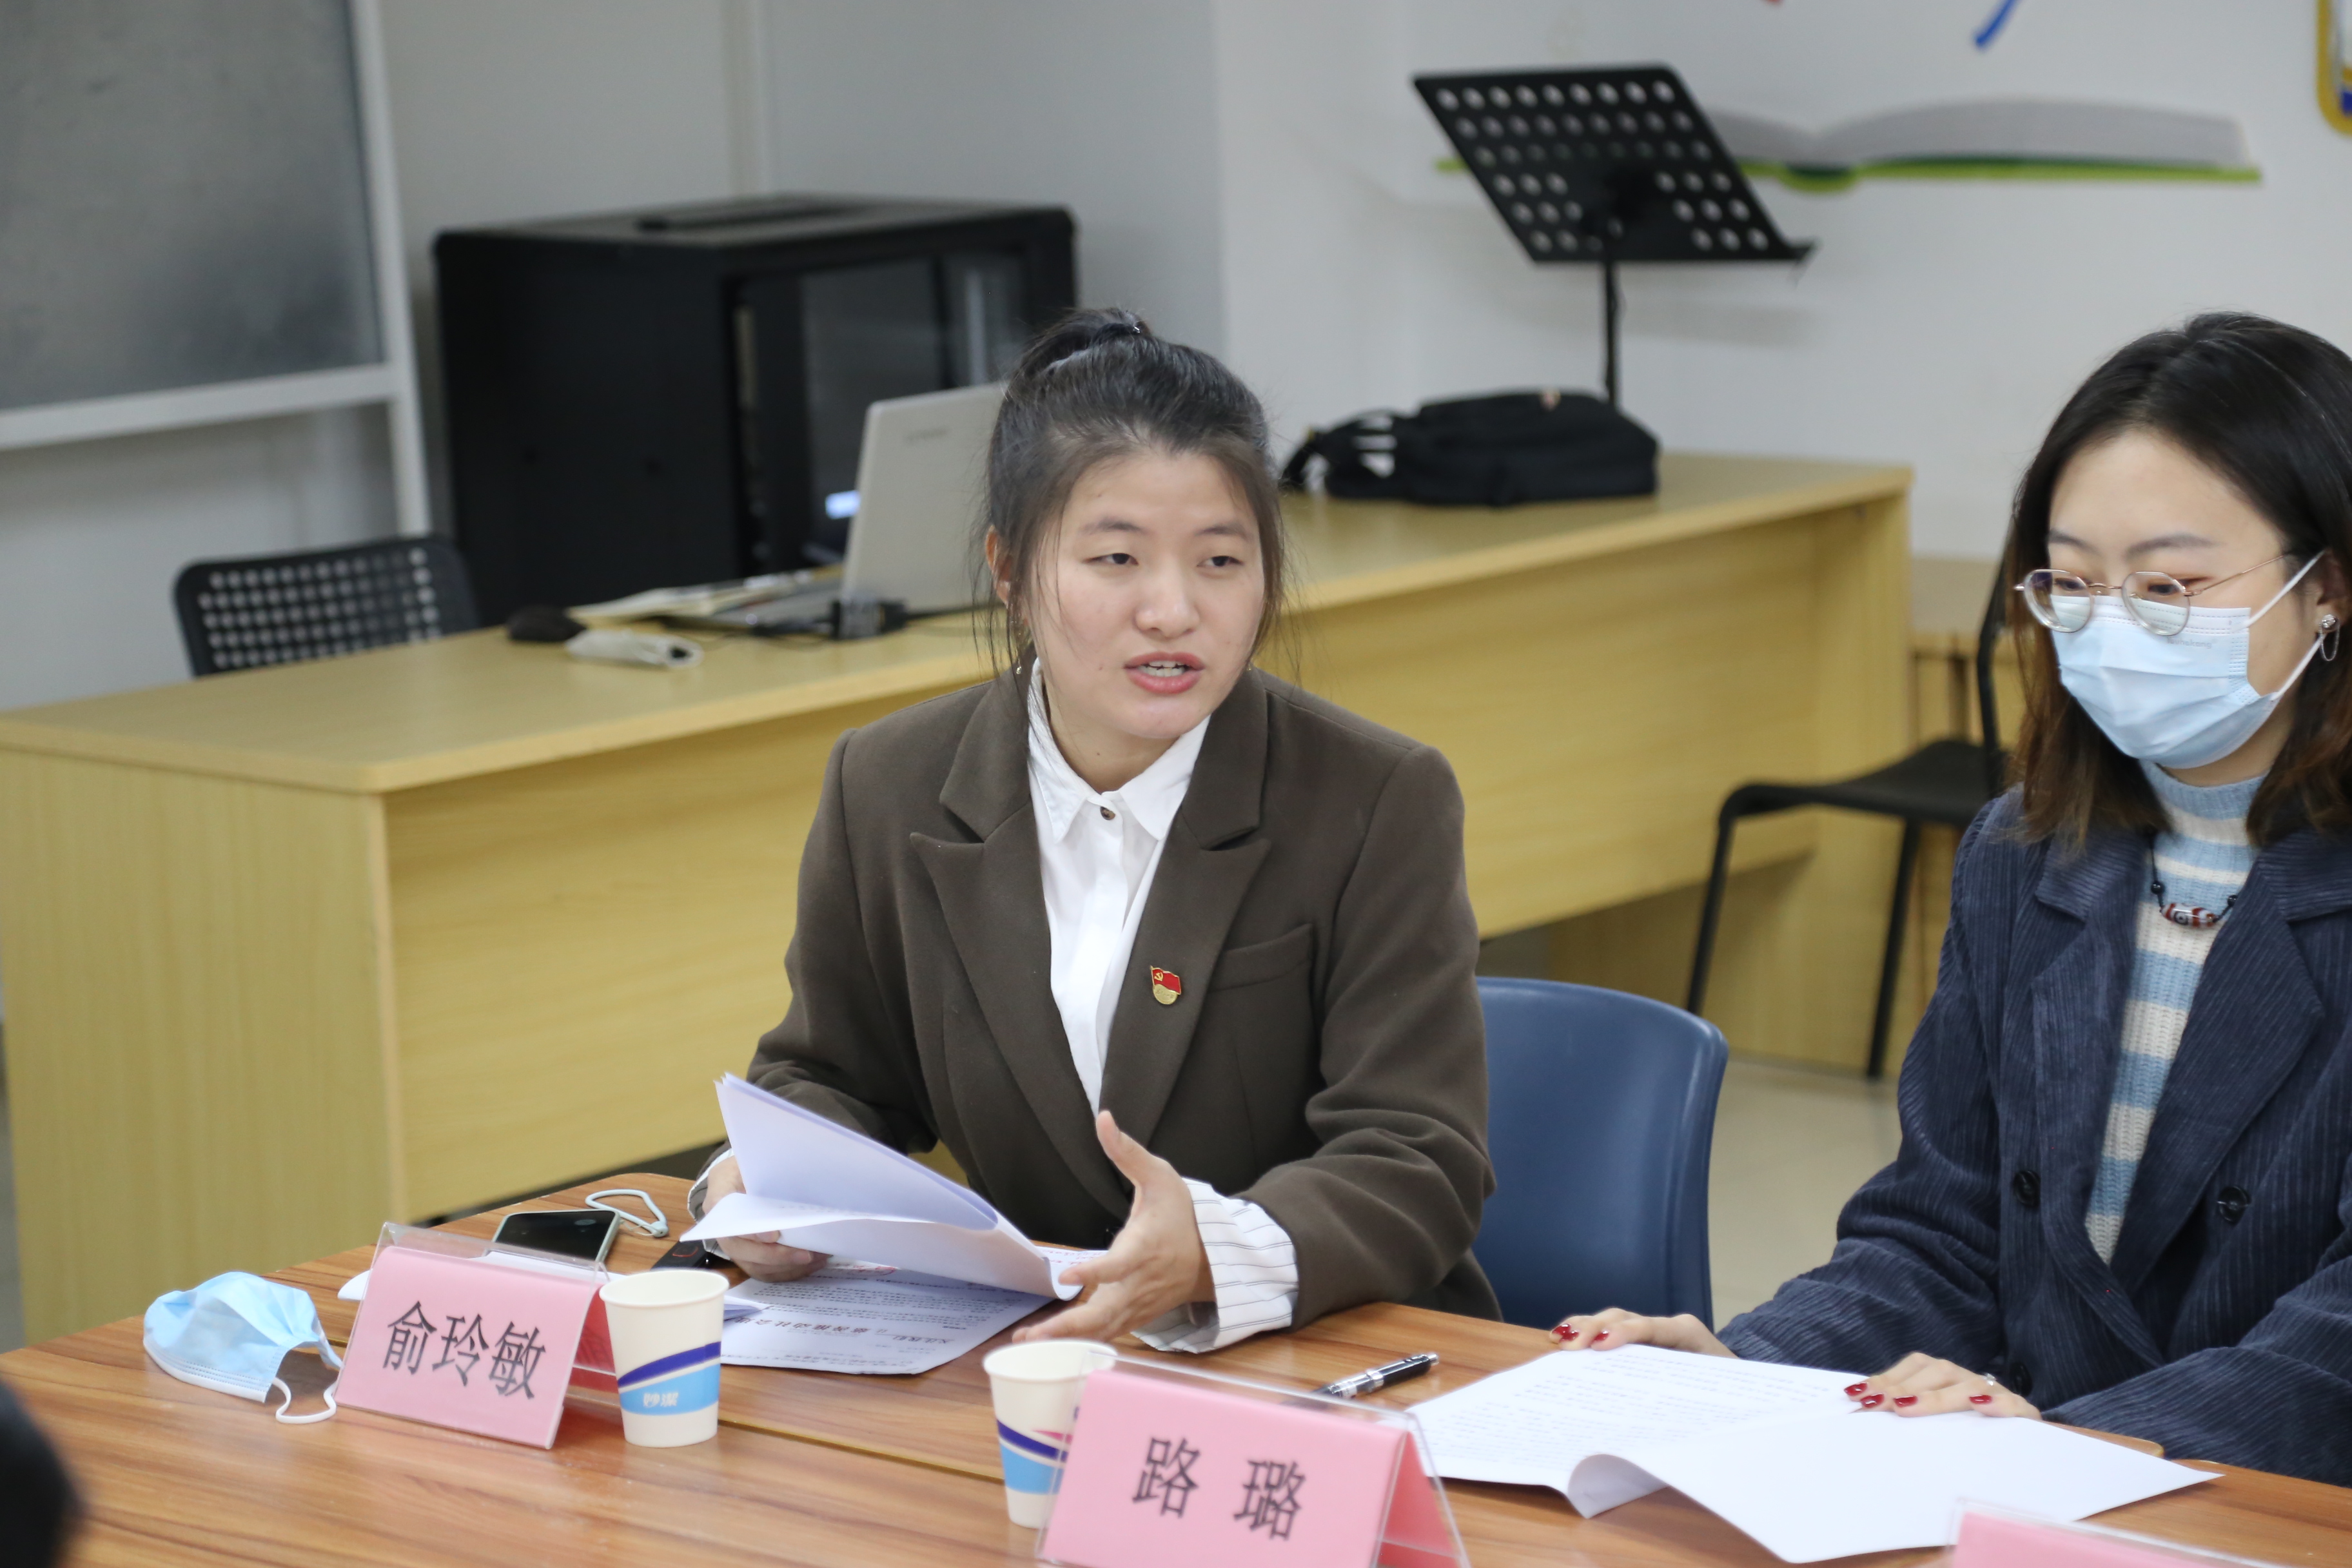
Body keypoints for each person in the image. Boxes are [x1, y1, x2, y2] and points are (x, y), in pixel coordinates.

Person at [1553, 313, 2352, 1485]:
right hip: (2032, 1490)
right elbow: (1943, 1233)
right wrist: (1739, 1370)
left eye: (2168, 586)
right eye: (2073, 583)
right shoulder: (2024, 851)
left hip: (2265, 1502)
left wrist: (2071, 1447)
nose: (2112, 627)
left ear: (2327, 585)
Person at [692, 308, 1498, 1351]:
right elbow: (833, 1077)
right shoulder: (887, 783)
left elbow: (1416, 1156)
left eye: (1221, 562)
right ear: (1009, 570)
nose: (1172, 610)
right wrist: (758, 1184)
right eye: (1117, 559)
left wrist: (1208, 1251)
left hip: (1320, 1348)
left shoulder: (1375, 797)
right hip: (1035, 1354)